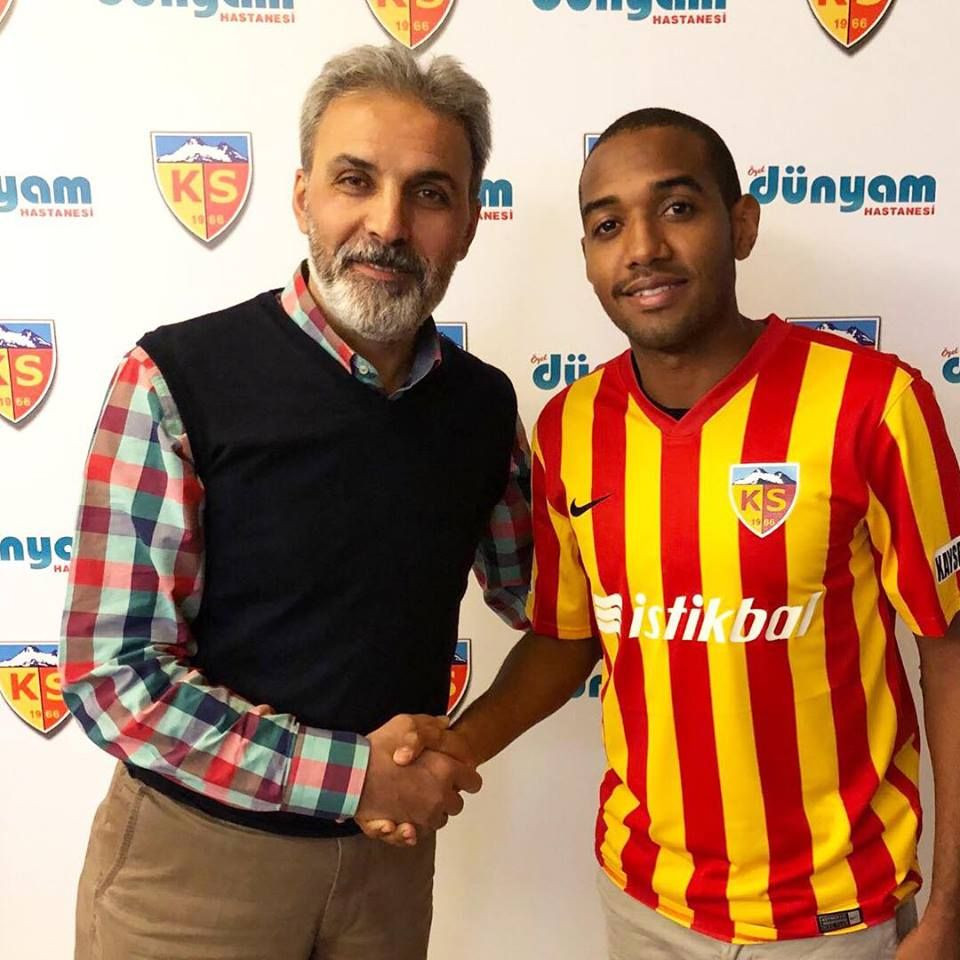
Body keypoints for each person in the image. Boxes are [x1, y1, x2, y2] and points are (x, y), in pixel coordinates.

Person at [367, 109, 960, 959]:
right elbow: (567, 639)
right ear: (588, 257)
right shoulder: (572, 427)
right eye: (608, 226)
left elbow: (949, 652)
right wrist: (453, 748)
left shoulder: (873, 403)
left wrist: (948, 913)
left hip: (835, 918)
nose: (642, 247)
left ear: (741, 225)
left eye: (677, 208)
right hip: (643, 905)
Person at [59, 44, 531, 960]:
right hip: (190, 878)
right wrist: (354, 776)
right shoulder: (173, 378)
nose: (388, 224)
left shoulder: (483, 405)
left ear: (471, 223)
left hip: (389, 873)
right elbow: (115, 676)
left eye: (430, 193)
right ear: (302, 195)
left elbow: (551, 597)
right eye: (356, 180)